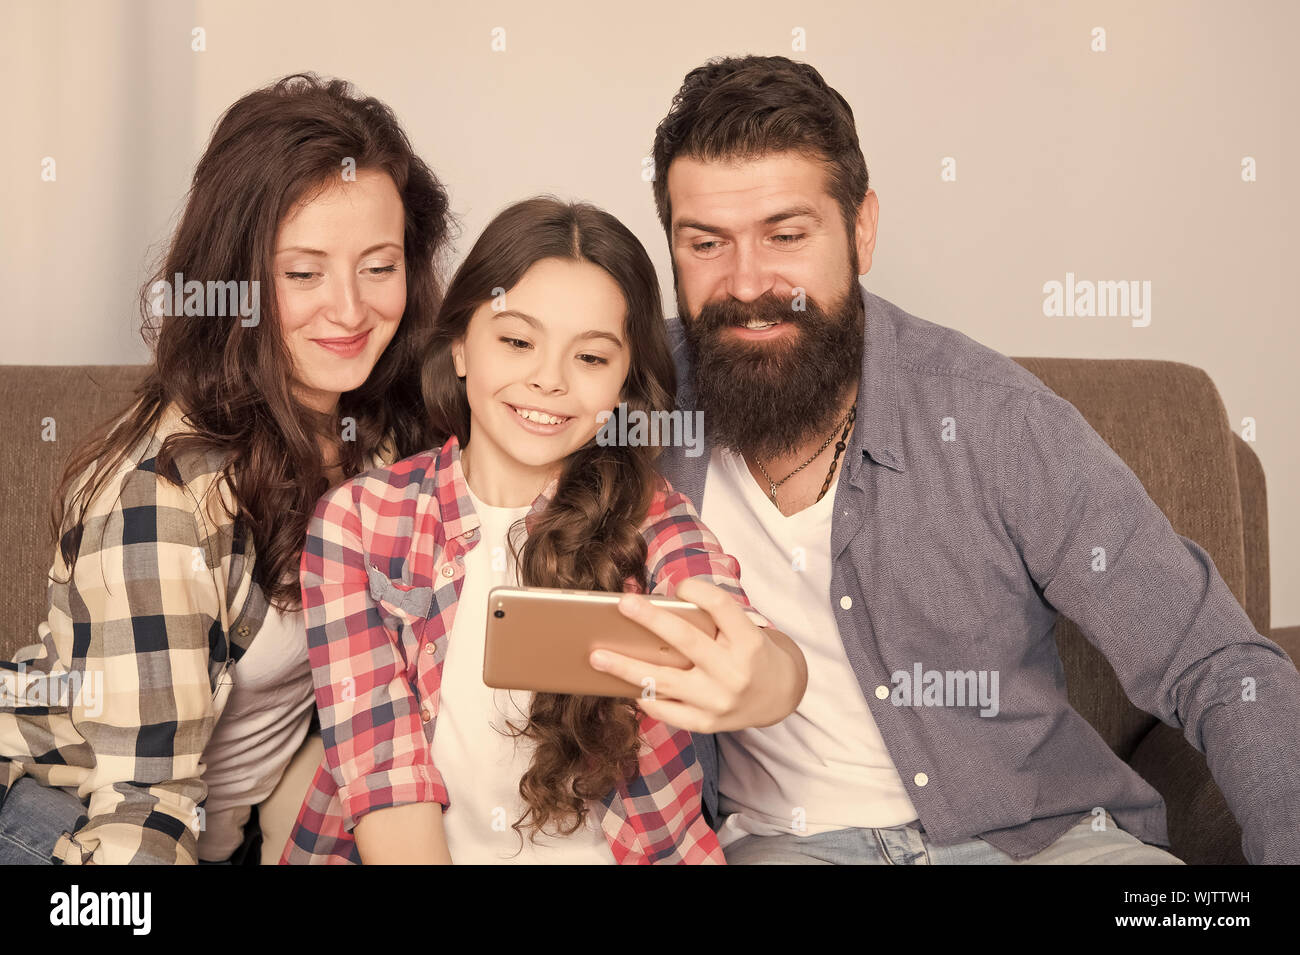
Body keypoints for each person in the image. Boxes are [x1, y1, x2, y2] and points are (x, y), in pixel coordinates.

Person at [587, 53, 1300, 865]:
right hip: (783, 845)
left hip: (1042, 838)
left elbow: (1217, 660)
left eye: (786, 235)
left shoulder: (998, 420)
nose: (749, 283)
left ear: (861, 228)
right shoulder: (626, 399)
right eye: (706, 242)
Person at [0, 73, 454, 864]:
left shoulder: (385, 432)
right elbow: (142, 802)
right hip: (63, 815)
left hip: (227, 823)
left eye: (378, 267)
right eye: (302, 273)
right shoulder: (161, 497)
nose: (349, 311)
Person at [281, 196, 807, 864]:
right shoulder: (360, 521)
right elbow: (383, 777)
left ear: (622, 388)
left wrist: (766, 674)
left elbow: (747, 634)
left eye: (590, 358)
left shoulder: (653, 518)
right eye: (518, 341)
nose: (549, 380)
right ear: (460, 346)